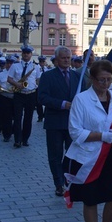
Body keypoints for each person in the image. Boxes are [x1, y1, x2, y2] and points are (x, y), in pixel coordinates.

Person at [63, 60, 112, 222]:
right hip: (89, 157)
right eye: (101, 80)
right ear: (92, 79)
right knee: (91, 199)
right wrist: (101, 135)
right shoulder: (81, 100)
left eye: (109, 79)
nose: (105, 84)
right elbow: (75, 131)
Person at [38, 46, 83, 197]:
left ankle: (68, 180)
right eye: (63, 58)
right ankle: (58, 183)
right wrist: (63, 104)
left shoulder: (77, 77)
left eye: (68, 58)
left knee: (72, 154)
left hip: (73, 123)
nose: (66, 60)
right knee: (55, 155)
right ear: (56, 60)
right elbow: (42, 97)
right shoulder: (48, 76)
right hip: (55, 122)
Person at [8, 45, 41, 148]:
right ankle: (17, 140)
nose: (26, 54)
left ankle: (25, 139)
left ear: (31, 55)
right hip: (19, 94)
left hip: (31, 94)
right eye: (24, 53)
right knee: (17, 118)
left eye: (28, 53)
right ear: (22, 54)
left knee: (28, 118)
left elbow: (38, 79)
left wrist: (36, 87)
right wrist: (17, 84)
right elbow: (9, 79)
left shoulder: (36, 66)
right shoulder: (15, 66)